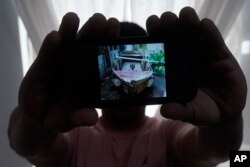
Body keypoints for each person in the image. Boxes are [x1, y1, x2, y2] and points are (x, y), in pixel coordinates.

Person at [8, 7, 247, 167]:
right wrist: (32, 120)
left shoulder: (169, 132)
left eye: (137, 66)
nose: (129, 78)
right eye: (124, 66)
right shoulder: (75, 135)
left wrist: (227, 120)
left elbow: (218, 152)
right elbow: (31, 147)